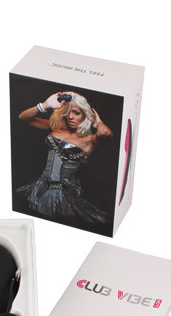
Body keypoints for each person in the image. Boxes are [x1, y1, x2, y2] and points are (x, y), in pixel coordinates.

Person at [16, 91, 112, 225]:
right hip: (42, 186)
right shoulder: (56, 127)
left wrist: (98, 123)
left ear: (85, 115)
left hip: (65, 193)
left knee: (66, 224)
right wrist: (45, 105)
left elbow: (105, 133)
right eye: (67, 112)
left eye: (76, 113)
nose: (70, 117)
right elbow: (24, 117)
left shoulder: (89, 141)